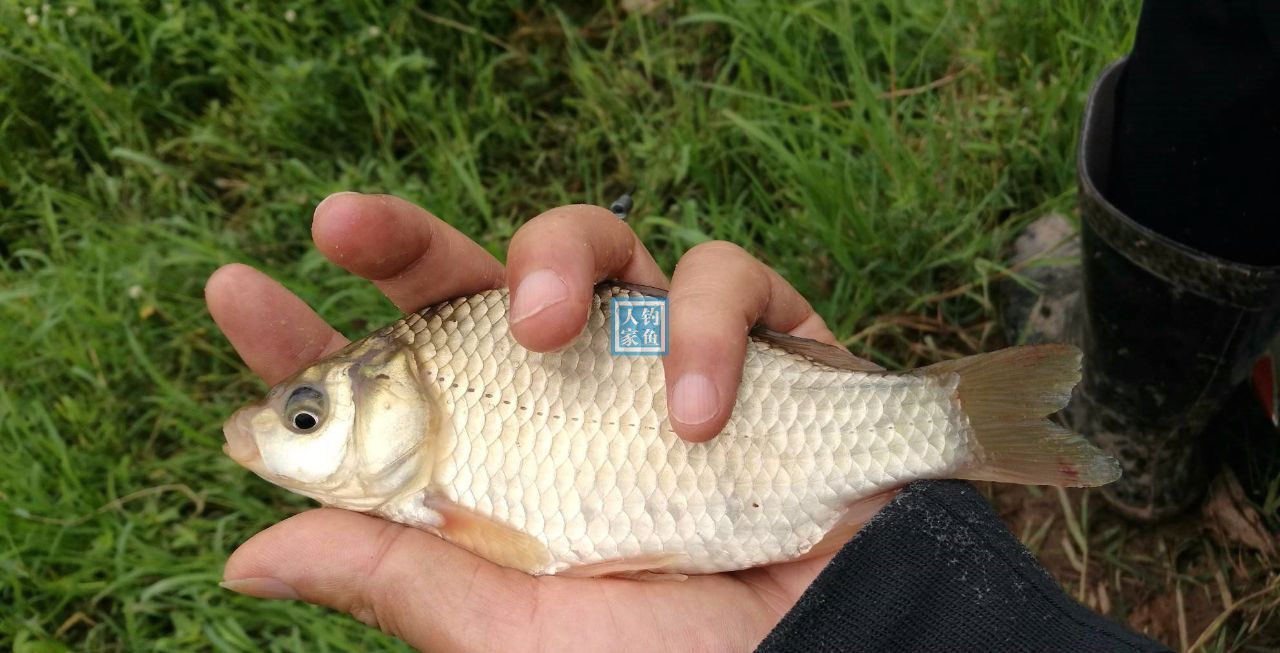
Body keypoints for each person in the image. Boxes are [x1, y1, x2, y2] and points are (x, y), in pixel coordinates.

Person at [206, 2, 1278, 649]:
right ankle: (1131, 415)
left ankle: (1119, 417)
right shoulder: (440, 459)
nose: (281, 433)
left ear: (395, 396)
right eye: (306, 416)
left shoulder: (444, 471)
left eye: (306, 416)